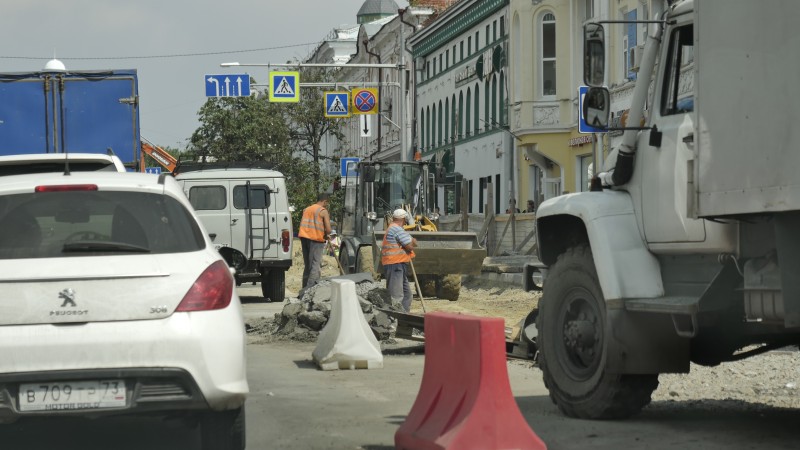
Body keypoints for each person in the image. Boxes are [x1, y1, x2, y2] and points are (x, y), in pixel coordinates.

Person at [381, 209, 417, 312]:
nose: (406, 221)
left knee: (407, 295)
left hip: (398, 265)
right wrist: (413, 241)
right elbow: (409, 246)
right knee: (396, 296)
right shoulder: (396, 229)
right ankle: (394, 320)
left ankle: (404, 318)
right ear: (403, 219)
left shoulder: (394, 228)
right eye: (406, 219)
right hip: (395, 265)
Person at [298, 193, 332, 289]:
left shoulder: (307, 209)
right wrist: (326, 234)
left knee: (308, 265)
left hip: (304, 238)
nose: (326, 205)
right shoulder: (323, 211)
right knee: (315, 265)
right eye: (326, 203)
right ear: (324, 201)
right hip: (315, 240)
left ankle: (304, 288)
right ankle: (309, 290)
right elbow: (329, 230)